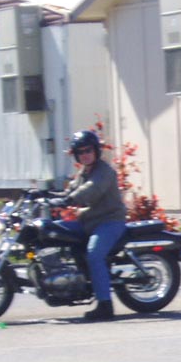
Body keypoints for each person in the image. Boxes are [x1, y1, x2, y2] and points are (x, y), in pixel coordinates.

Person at [49, 130, 128, 321]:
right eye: (81, 152)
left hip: (110, 221)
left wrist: (68, 200)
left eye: (88, 150)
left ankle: (105, 305)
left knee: (94, 254)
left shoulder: (104, 171)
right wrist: (45, 195)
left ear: (96, 151)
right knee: (55, 230)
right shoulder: (84, 172)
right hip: (91, 221)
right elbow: (72, 190)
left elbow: (91, 189)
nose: (85, 154)